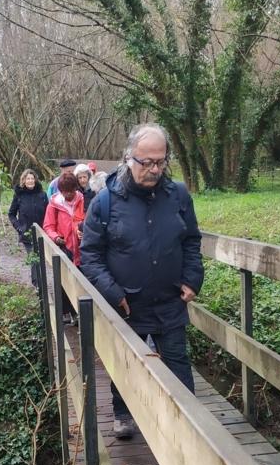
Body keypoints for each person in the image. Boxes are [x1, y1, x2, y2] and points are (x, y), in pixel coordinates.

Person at [79, 123, 204, 438]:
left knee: (178, 365)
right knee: (127, 366)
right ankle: (123, 414)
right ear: (127, 159)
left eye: (160, 162)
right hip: (127, 304)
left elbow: (191, 240)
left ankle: (186, 426)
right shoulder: (104, 203)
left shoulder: (179, 196)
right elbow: (90, 256)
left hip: (170, 302)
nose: (154, 169)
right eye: (145, 162)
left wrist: (192, 277)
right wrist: (112, 292)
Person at [43, 171, 85, 323]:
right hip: (64, 248)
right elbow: (48, 226)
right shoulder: (54, 204)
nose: (68, 194)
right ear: (60, 191)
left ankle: (80, 313)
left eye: (71, 191)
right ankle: (67, 312)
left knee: (82, 282)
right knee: (63, 281)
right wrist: (55, 237)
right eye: (65, 191)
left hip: (81, 249)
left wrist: (83, 230)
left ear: (76, 188)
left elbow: (88, 220)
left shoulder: (82, 200)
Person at [8, 169, 48, 288]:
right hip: (27, 233)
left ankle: (40, 282)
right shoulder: (19, 195)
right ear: (24, 180)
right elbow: (11, 214)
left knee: (40, 257)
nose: (30, 181)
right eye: (28, 178)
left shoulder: (42, 195)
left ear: (35, 180)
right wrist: (19, 227)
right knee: (34, 257)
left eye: (32, 178)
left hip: (42, 233)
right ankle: (37, 285)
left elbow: (48, 213)